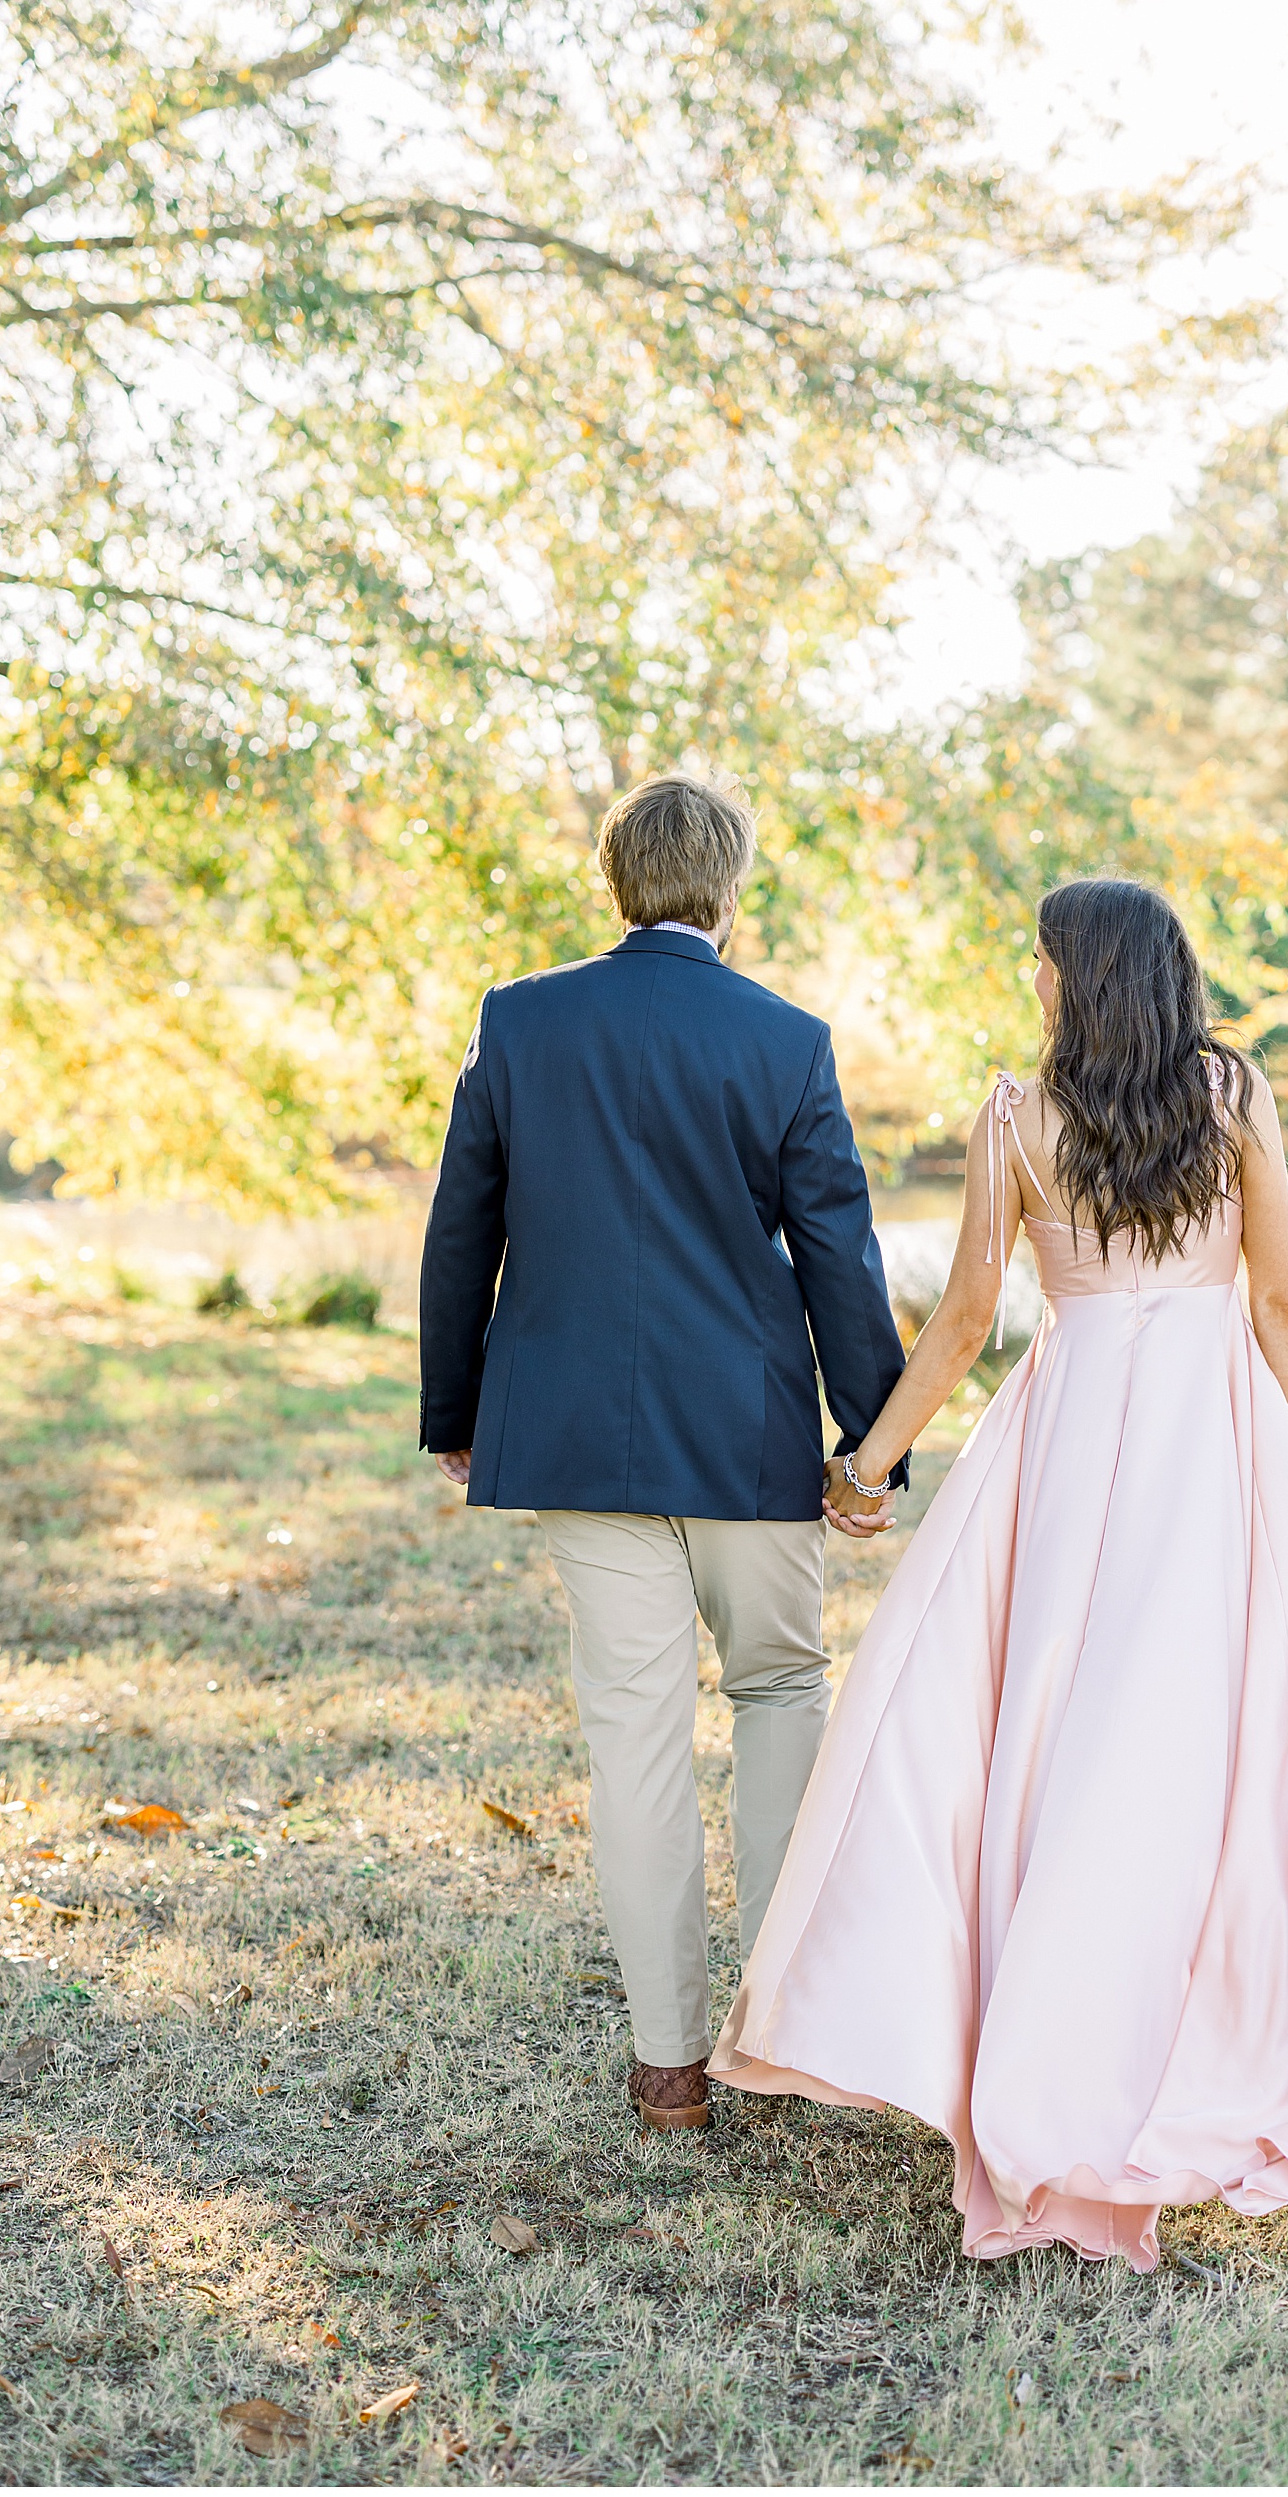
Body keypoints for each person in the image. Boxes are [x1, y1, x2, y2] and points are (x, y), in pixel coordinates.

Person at [711, 873, 1288, 2266]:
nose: (1031, 979)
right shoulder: (1234, 1098)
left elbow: (969, 1313)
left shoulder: (1020, 1118)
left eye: (1042, 960)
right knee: (1193, 1754)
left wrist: (867, 1462)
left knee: (1045, 1736)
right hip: (1213, 1445)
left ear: (1082, 977)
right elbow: (1275, 1298)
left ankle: (1052, 2065)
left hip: (1074, 1440)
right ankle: (1150, 2044)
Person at [419, 771, 907, 2134]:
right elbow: (838, 1257)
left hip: (579, 1437)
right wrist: (866, 1447)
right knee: (780, 1699)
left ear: (616, 879)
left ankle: (668, 2063)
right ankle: (787, 2025)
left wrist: (455, 1406)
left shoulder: (523, 1021)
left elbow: (464, 1228)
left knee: (630, 1739)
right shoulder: (788, 1039)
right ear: (730, 886)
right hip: (748, 1438)